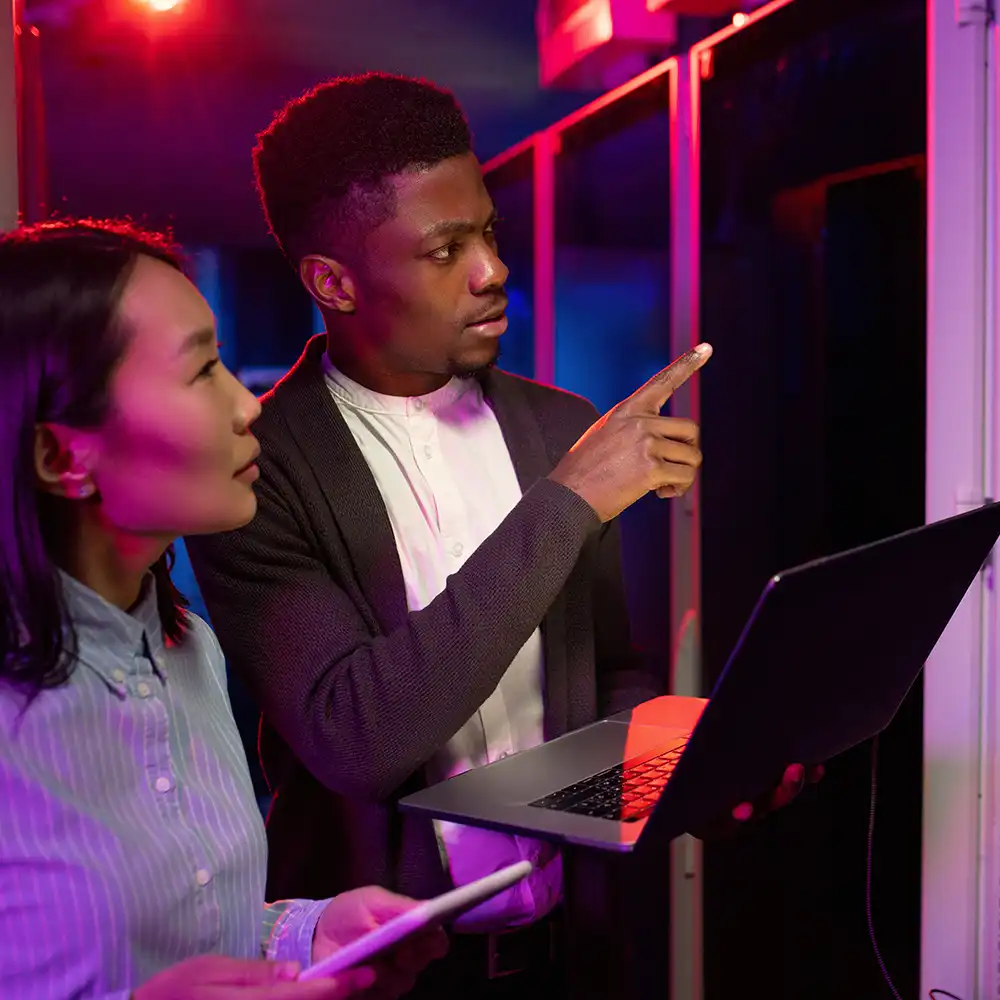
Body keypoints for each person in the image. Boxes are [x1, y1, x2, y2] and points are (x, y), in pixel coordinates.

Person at [186, 73, 812, 998]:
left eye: (489, 232)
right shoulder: (256, 465)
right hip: (381, 978)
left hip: (572, 951)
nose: (492, 270)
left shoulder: (560, 427)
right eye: (446, 249)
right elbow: (358, 738)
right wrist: (568, 504)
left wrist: (693, 777)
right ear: (332, 281)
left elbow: (606, 681)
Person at [0, 219, 447, 1000]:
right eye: (203, 368)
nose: (248, 404)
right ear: (61, 456)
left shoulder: (189, 648)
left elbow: (197, 930)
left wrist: (310, 933)